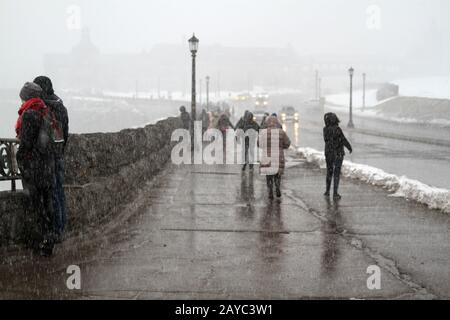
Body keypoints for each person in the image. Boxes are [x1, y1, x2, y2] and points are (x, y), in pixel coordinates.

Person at [15, 82, 56, 256]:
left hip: (35, 168)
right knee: (45, 205)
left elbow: (26, 144)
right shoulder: (44, 112)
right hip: (45, 166)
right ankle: (48, 240)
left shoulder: (30, 114)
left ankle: (42, 243)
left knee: (37, 206)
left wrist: (21, 161)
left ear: (26, 97)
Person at [33, 76, 68, 242]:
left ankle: (55, 230)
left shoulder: (44, 106)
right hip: (58, 153)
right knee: (59, 192)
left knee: (51, 193)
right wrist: (61, 149)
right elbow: (65, 131)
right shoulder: (60, 104)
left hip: (48, 156)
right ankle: (62, 228)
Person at [259, 116, 291, 199]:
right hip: (278, 156)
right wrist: (281, 146)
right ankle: (277, 186)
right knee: (277, 174)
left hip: (267, 157)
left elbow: (259, 144)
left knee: (268, 174)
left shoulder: (263, 132)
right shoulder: (281, 132)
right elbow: (287, 143)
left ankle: (270, 191)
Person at [323, 112, 352, 199]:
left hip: (328, 153)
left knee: (329, 172)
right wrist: (349, 147)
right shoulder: (337, 129)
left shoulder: (325, 129)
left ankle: (327, 191)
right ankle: (335, 193)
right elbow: (343, 139)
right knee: (336, 173)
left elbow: (326, 140)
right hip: (338, 153)